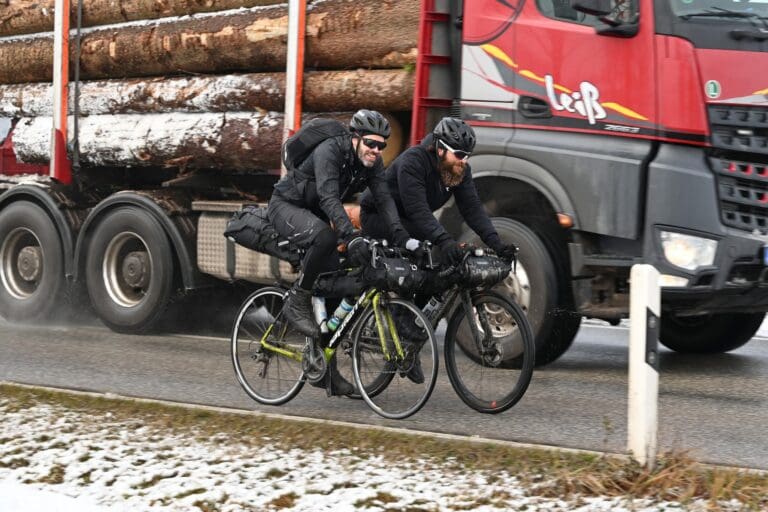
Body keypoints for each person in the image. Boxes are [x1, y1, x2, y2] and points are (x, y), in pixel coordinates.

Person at [267, 110, 419, 395]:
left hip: (314, 213)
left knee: (338, 282)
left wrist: (401, 236)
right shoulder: (330, 149)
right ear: (355, 138)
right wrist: (351, 236)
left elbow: (384, 199)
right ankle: (297, 300)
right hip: (286, 206)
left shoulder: (372, 163)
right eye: (370, 144)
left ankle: (326, 368)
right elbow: (328, 197)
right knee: (325, 238)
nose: (376, 150)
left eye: (381, 146)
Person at [360, 117, 517, 265]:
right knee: (432, 251)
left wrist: (498, 245)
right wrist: (444, 241)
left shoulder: (460, 169)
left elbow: (472, 209)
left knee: (437, 248)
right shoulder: (414, 161)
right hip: (379, 216)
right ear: (441, 149)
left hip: (411, 221)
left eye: (467, 155)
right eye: (459, 154)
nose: (463, 161)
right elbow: (417, 209)